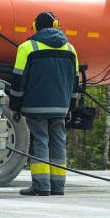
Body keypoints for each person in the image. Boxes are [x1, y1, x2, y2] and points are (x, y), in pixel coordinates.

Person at [8, 11, 79, 196]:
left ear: (35, 27)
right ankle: (58, 186)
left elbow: (18, 80)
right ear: (55, 25)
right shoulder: (70, 49)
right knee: (58, 143)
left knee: (40, 140)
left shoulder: (27, 47)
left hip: (35, 104)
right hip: (61, 106)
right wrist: (70, 107)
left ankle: (41, 185)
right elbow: (75, 83)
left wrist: (15, 106)